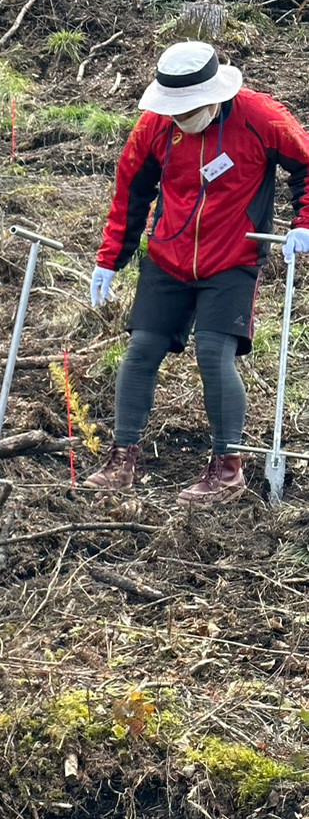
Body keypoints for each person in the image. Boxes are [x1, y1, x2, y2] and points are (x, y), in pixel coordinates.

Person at [87, 39, 309, 503]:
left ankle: (227, 468)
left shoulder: (260, 117)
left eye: (188, 110)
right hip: (168, 254)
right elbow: (131, 190)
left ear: (213, 98)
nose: (180, 119)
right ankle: (122, 455)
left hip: (233, 257)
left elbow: (307, 164)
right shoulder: (153, 127)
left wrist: (304, 223)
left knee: (213, 354)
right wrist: (110, 257)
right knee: (141, 350)